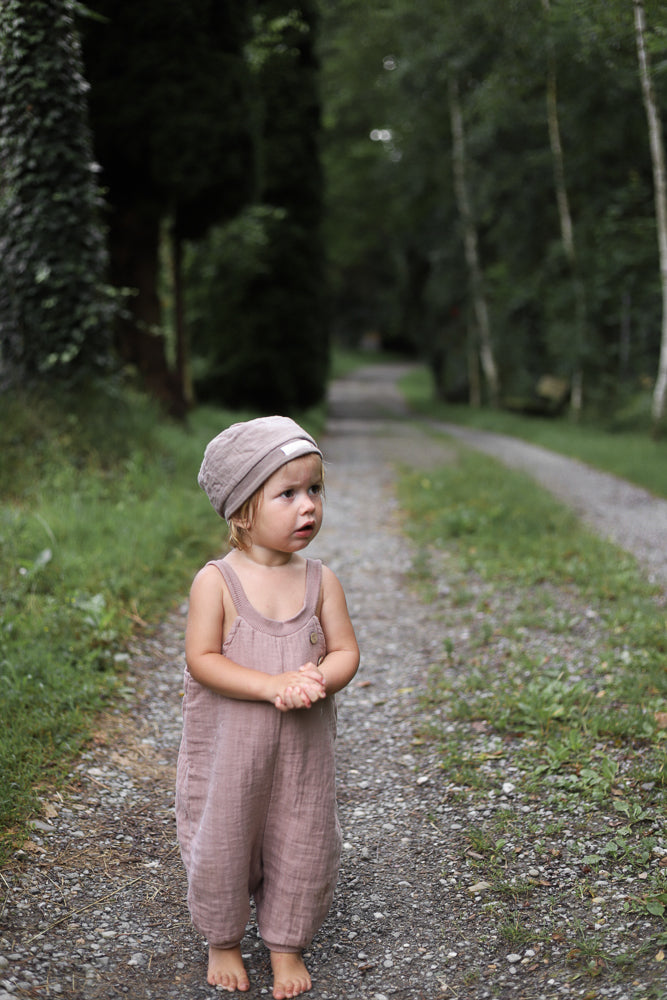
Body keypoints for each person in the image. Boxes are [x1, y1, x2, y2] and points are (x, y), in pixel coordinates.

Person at [175, 416, 360, 999]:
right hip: (232, 757)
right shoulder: (217, 583)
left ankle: (286, 943)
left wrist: (317, 677)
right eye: (288, 494)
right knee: (224, 839)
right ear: (242, 511)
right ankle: (223, 938)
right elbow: (202, 659)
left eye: (314, 490)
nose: (308, 507)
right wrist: (270, 685)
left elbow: (347, 652)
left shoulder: (320, 581)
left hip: (301, 759)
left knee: (304, 839)